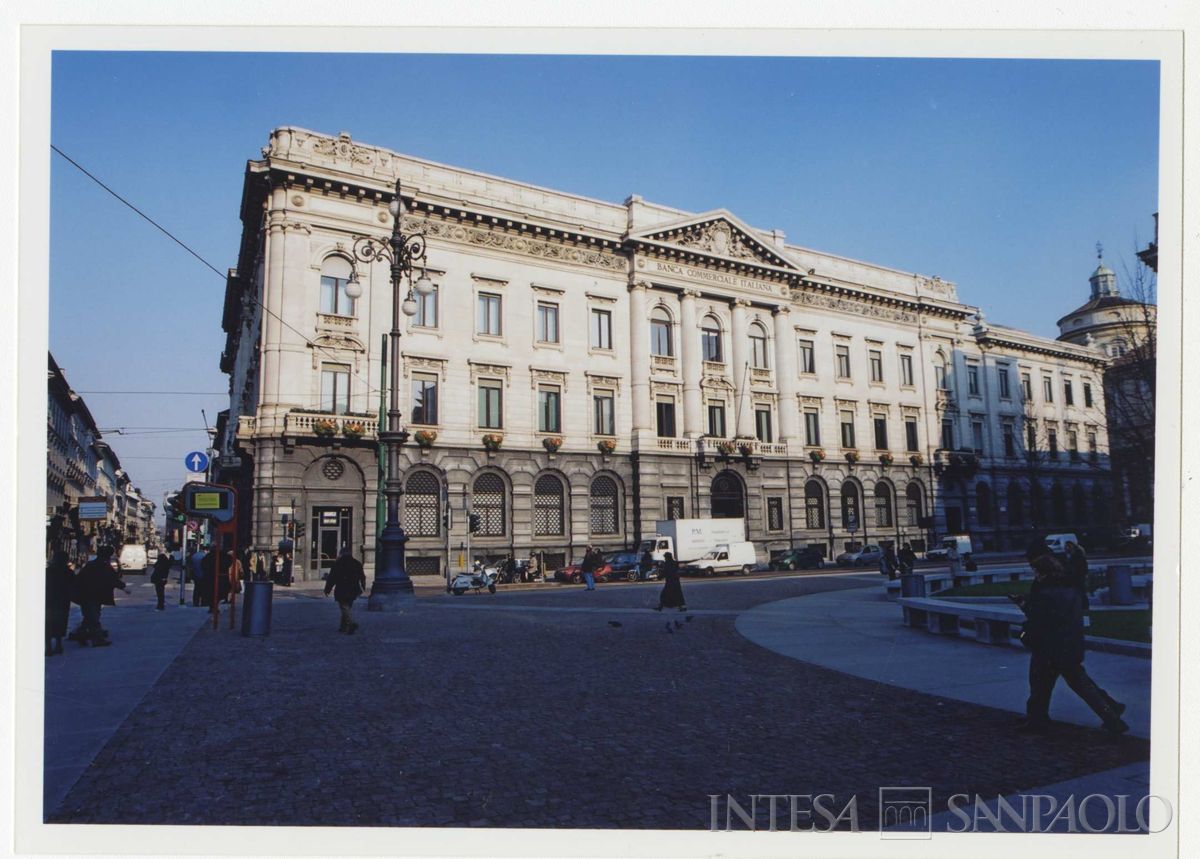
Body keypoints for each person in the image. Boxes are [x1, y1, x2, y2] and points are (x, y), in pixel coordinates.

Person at [1012, 552, 1128, 736]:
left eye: (1036, 572)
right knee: (1081, 685)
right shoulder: (1070, 590)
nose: (1035, 575)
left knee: (1040, 685)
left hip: (1049, 646)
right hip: (1070, 644)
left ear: (1043, 572)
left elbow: (1039, 618)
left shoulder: (1044, 593)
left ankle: (1037, 719)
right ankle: (1112, 715)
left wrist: (1023, 605)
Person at [73, 546, 127, 647]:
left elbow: (79, 578)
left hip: (85, 595)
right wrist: (123, 587)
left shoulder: (90, 565)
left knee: (88, 617)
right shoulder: (105, 566)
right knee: (94, 618)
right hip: (95, 596)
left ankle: (81, 634)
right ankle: (97, 640)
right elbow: (112, 579)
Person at [324, 547, 366, 634]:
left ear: (341, 554)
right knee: (347, 607)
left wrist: (327, 589)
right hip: (353, 588)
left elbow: (331, 578)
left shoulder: (337, 564)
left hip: (341, 588)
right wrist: (363, 586)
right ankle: (343, 627)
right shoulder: (356, 563)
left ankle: (350, 624)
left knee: (344, 607)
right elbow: (362, 577)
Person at [45, 551, 73, 655]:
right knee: (60, 624)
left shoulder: (47, 572)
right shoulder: (68, 572)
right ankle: (58, 645)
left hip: (48, 602)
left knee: (48, 624)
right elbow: (73, 586)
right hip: (62, 602)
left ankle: (48, 647)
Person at [654, 551, 687, 624]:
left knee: (664, 594)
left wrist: (659, 577)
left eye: (665, 557)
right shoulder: (674, 563)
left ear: (667, 557)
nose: (664, 558)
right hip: (676, 581)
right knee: (678, 594)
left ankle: (661, 607)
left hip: (670, 582)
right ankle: (681, 607)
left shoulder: (667, 564)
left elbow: (664, 572)